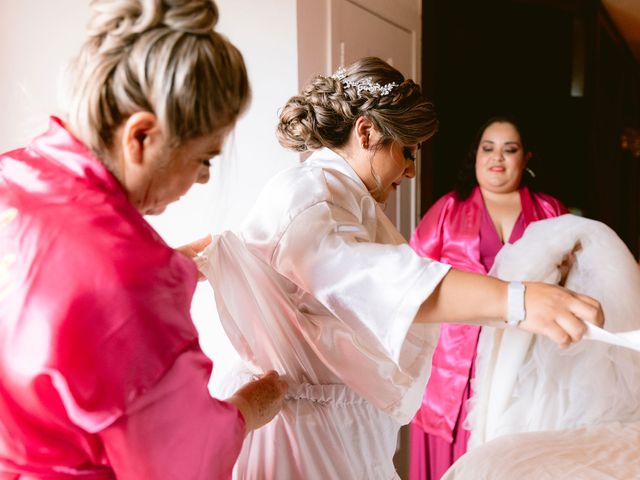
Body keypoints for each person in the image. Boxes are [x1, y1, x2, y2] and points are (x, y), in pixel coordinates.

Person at [200, 58, 603, 479]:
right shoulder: (310, 195)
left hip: (339, 425)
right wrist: (518, 299)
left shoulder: (344, 195)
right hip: (302, 440)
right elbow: (384, 281)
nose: (411, 170)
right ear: (368, 132)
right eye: (407, 151)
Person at [0, 1, 286, 478]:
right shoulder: (131, 277)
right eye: (204, 160)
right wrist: (250, 406)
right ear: (142, 136)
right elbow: (183, 462)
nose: (200, 181)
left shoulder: (13, 172)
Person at [408, 116, 568, 480]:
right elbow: (411, 282)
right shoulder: (447, 210)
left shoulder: (550, 212)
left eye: (509, 150)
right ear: (476, 156)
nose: (498, 158)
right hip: (453, 371)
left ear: (526, 158)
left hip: (525, 361)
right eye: (488, 148)